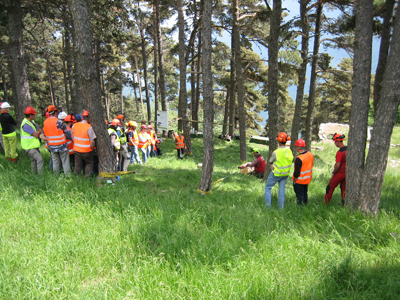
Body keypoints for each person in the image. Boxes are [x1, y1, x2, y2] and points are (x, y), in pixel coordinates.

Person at [265, 132, 294, 208]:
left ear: (278, 141)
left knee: (268, 188)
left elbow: (270, 161)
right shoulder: (289, 151)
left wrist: (272, 165)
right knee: (281, 190)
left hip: (276, 174)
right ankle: (280, 207)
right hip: (285, 174)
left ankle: (268, 206)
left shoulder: (276, 152)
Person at [42, 105, 71, 175]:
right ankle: (68, 177)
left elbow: (44, 134)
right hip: (62, 146)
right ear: (55, 112)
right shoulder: (59, 122)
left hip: (51, 146)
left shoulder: (45, 122)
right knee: (65, 162)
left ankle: (56, 176)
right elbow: (66, 132)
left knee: (55, 162)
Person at [72, 110, 96, 178]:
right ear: (89, 118)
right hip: (87, 151)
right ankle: (87, 178)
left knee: (77, 164)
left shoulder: (75, 125)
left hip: (76, 149)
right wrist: (92, 149)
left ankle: (77, 178)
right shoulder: (89, 127)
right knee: (89, 164)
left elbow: (72, 136)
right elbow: (92, 142)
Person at [325, 133, 347, 205]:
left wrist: (334, 172)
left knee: (330, 187)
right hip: (346, 173)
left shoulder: (340, 152)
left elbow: (337, 165)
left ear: (337, 142)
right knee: (344, 188)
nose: (335, 143)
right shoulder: (348, 149)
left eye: (335, 142)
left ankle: (325, 203)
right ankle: (344, 203)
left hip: (340, 173)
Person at [20, 106, 44, 173]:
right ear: (30, 115)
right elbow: (36, 134)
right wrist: (37, 132)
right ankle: (41, 176)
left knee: (33, 160)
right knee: (39, 159)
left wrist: (38, 132)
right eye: (34, 114)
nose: (35, 116)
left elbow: (39, 130)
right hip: (29, 147)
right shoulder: (26, 125)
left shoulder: (31, 122)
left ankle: (33, 174)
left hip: (33, 146)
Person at [292, 139, 314, 205]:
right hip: (307, 180)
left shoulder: (299, 158)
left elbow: (297, 172)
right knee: (305, 193)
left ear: (298, 147)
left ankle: (300, 207)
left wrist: (295, 180)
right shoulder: (310, 154)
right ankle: (305, 205)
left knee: (299, 196)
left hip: (299, 181)